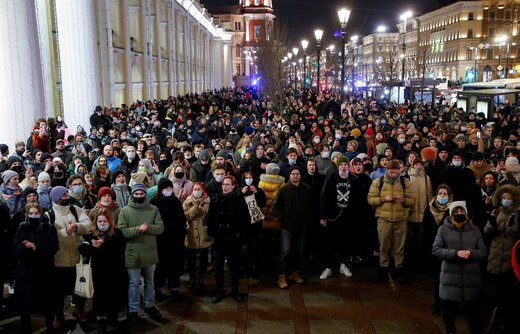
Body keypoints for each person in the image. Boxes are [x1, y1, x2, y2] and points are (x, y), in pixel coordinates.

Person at [433, 201, 487, 334]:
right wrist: (455, 253)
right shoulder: (443, 229)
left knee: (474, 312)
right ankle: (450, 331)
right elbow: (437, 249)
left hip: (471, 278)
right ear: (451, 214)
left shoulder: (475, 230)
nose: (459, 214)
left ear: (466, 212)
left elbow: (483, 251)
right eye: (456, 212)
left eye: (461, 211)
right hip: (450, 277)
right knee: (449, 311)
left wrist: (471, 253)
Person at [117, 183, 165, 323]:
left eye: (141, 194)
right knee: (133, 283)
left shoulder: (153, 209)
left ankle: (150, 305)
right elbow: (122, 231)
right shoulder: (125, 211)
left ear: (145, 194)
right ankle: (133, 310)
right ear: (132, 194)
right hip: (132, 252)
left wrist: (148, 227)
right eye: (136, 194)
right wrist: (138, 229)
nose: (139, 196)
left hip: (150, 251)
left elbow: (160, 228)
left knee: (150, 281)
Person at [48, 185, 92, 328]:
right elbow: (49, 235)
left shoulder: (75, 209)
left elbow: (89, 224)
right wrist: (65, 232)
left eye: (67, 194)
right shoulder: (49, 215)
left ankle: (79, 310)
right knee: (58, 291)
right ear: (57, 198)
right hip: (59, 259)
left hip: (77, 257)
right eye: (64, 195)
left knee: (79, 287)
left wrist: (78, 226)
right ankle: (59, 315)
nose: (67, 196)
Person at [78, 209, 127, 333]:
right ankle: (101, 321)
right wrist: (94, 248)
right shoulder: (91, 234)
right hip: (98, 273)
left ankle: (121, 320)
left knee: (117, 297)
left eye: (105, 221)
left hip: (115, 272)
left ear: (110, 221)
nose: (102, 223)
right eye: (100, 221)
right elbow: (82, 248)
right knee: (99, 298)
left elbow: (118, 250)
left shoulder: (117, 233)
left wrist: (102, 246)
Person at [12, 203, 58, 334]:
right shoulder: (21, 229)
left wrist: (36, 247)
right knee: (25, 306)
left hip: (44, 272)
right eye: (31, 214)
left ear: (41, 214)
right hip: (25, 274)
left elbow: (53, 249)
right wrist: (24, 246)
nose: (33, 216)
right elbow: (15, 251)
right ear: (26, 215)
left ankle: (50, 328)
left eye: (36, 213)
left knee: (47, 304)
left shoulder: (49, 228)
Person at [367, 159, 415, 283]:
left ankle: (398, 269)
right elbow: (370, 199)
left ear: (399, 171)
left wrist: (403, 200)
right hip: (384, 218)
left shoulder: (405, 182)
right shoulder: (379, 182)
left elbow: (412, 200)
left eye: (395, 172)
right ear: (387, 171)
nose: (393, 174)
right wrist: (383, 199)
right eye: (391, 172)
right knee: (383, 246)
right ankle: (383, 269)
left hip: (400, 219)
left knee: (399, 247)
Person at [207, 175, 250, 303]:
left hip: (233, 239)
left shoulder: (238, 200)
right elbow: (210, 218)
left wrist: (239, 234)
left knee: (235, 266)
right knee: (218, 266)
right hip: (220, 239)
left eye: (227, 184)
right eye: (223, 184)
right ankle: (219, 289)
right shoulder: (215, 200)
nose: (225, 186)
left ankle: (235, 289)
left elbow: (245, 219)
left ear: (233, 186)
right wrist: (213, 233)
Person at [484, 184, 520, 332]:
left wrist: (513, 227)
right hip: (496, 254)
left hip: (511, 255)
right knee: (498, 289)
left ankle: (507, 318)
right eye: (504, 198)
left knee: (510, 290)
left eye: (509, 198)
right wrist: (492, 225)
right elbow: (486, 231)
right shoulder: (496, 211)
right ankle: (498, 314)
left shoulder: (518, 214)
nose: (506, 200)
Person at [272, 166, 314, 289]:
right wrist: (283, 217)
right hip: (287, 226)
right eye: (293, 174)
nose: (295, 176)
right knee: (285, 251)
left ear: (300, 175)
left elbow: (312, 206)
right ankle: (281, 276)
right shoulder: (284, 189)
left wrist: (307, 218)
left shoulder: (307, 189)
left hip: (301, 225)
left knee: (299, 250)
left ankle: (294, 273)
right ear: (289, 176)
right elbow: (275, 206)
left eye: (297, 174)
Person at [419, 184, 453, 314]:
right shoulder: (429, 210)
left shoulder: (452, 211)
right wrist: (426, 247)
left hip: (447, 249)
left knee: (448, 279)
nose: (442, 196)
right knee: (437, 279)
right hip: (433, 249)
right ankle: (438, 302)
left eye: (445, 194)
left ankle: (448, 303)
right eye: (440, 194)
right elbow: (425, 230)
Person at [150, 178, 187, 298]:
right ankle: (158, 289)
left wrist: (180, 235)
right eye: (166, 188)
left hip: (174, 240)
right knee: (159, 267)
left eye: (170, 188)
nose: (168, 190)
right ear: (160, 189)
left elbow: (181, 220)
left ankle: (174, 288)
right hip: (159, 240)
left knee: (174, 265)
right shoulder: (154, 202)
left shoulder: (175, 201)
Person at [183, 182, 212, 290]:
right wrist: (194, 210)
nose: (197, 192)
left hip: (204, 235)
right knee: (191, 260)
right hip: (191, 235)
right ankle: (192, 279)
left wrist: (200, 211)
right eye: (195, 189)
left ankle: (200, 280)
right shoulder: (187, 202)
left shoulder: (208, 202)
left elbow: (209, 217)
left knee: (203, 261)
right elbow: (185, 217)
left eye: (199, 189)